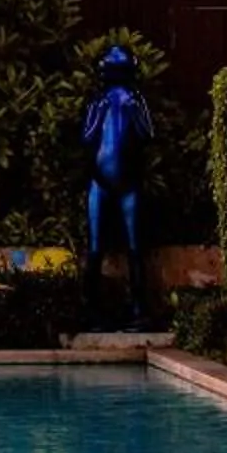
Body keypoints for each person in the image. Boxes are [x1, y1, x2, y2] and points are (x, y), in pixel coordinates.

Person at [82, 42, 153, 327]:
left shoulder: (135, 101)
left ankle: (138, 308)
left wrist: (133, 109)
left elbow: (147, 133)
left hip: (129, 182)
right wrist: (100, 111)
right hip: (101, 182)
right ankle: (92, 310)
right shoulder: (98, 102)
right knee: (96, 246)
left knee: (135, 247)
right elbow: (87, 137)